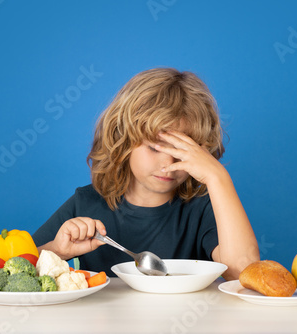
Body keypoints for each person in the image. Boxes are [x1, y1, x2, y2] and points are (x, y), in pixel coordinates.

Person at [32, 68, 259, 280]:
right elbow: (14, 268)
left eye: (182, 152)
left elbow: (243, 272)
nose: (168, 164)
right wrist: (56, 251)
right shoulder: (86, 203)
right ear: (123, 140)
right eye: (155, 148)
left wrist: (217, 177)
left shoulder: (203, 207)